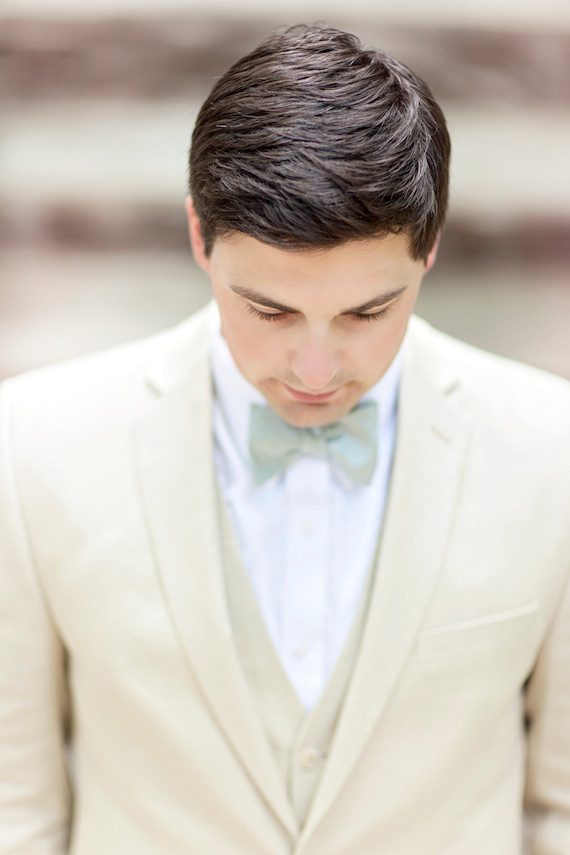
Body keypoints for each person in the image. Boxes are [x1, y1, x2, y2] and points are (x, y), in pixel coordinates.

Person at [0, 23, 568, 855]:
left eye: (367, 312)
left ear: (430, 248)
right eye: (269, 310)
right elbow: (15, 808)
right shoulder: (34, 445)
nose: (314, 367)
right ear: (199, 236)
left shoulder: (553, 451)